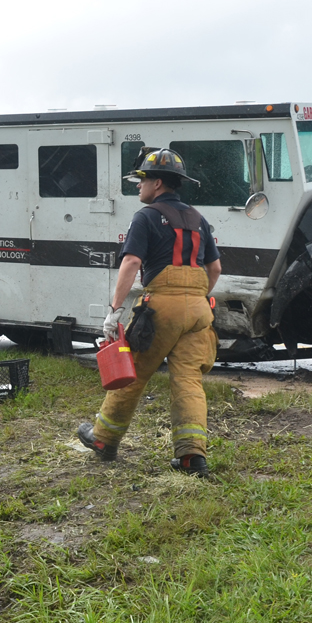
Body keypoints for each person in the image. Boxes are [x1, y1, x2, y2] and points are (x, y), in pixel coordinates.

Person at [77, 148, 222, 477]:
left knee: (134, 373)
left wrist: (115, 311)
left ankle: (103, 439)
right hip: (199, 312)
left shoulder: (145, 217)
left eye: (141, 180)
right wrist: (195, 296)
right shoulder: (199, 220)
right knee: (188, 381)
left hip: (161, 310)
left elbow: (131, 262)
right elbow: (215, 267)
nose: (138, 186)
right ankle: (191, 457)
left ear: (157, 184)